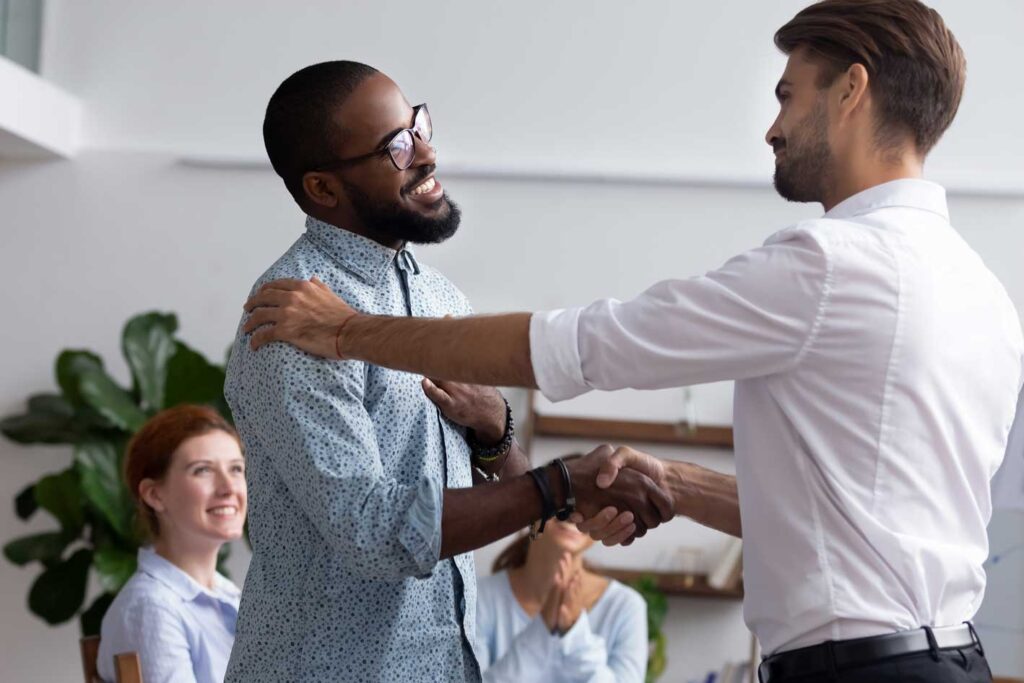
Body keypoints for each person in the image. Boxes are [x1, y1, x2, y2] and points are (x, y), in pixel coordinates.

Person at [241, 2, 1024, 681]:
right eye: (398, 143)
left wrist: (346, 332)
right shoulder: (981, 290)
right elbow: (841, 518)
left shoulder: (832, 265)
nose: (772, 127)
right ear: (323, 185)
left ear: (851, 90)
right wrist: (663, 478)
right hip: (947, 657)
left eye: (788, 95)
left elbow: (589, 343)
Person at [223, 61, 672, 682]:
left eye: (419, 126)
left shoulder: (439, 298)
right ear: (323, 189)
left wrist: (496, 431)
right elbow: (374, 531)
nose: (427, 153)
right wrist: (559, 485)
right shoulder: (289, 320)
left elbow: (497, 488)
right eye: (396, 147)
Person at [98, 405, 246, 683]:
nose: (229, 487)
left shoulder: (226, 595)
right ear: (155, 495)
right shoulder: (151, 608)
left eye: (236, 469)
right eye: (203, 470)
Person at [478, 521, 648, 682]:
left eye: (587, 504)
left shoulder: (626, 606)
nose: (572, 512)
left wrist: (575, 632)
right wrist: (541, 629)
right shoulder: (479, 598)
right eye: (561, 502)